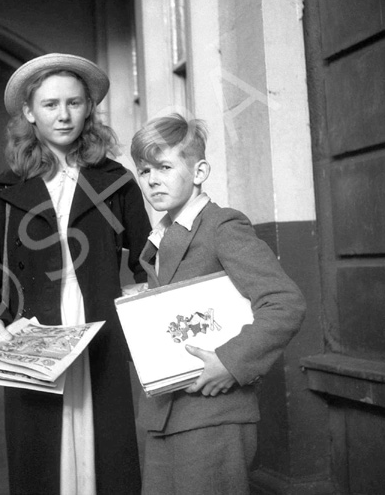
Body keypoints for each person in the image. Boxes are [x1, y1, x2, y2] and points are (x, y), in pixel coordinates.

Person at [0, 53, 151, 495]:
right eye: (50, 104)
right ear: (29, 113)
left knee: (108, 450)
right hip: (33, 334)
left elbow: (147, 260)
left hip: (101, 328)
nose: (64, 115)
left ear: (89, 109)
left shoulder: (116, 181)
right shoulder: (0, 191)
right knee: (42, 453)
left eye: (74, 102)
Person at [130, 113, 306, 495]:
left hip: (215, 414)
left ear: (199, 171)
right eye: (144, 171)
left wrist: (231, 361)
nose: (153, 179)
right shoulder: (161, 235)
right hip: (164, 414)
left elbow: (285, 302)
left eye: (164, 166)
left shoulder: (223, 227)